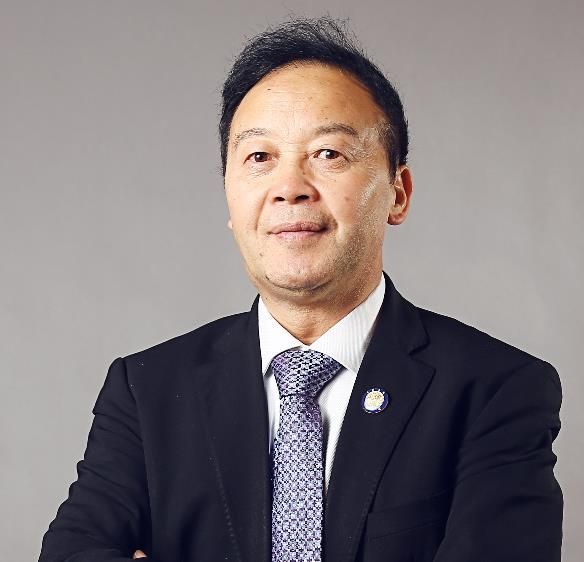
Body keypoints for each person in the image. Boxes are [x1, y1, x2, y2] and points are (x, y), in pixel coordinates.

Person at [39, 16, 563, 562]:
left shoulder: (496, 389)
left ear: (398, 193)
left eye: (329, 153)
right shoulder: (146, 389)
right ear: (229, 197)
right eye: (259, 158)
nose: (289, 188)